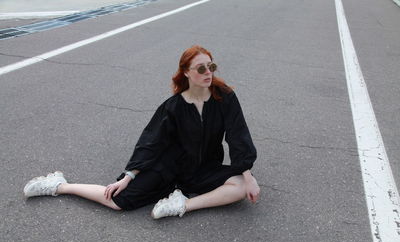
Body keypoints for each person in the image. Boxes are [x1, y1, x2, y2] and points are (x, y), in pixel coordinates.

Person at [23, 45, 260, 219]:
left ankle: (181, 205)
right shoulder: (173, 106)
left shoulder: (224, 97)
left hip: (204, 168)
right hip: (169, 167)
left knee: (240, 186)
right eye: (201, 68)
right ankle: (59, 185)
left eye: (211, 66)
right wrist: (129, 176)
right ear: (187, 72)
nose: (208, 72)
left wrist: (248, 177)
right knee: (118, 202)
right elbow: (152, 141)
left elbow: (238, 136)